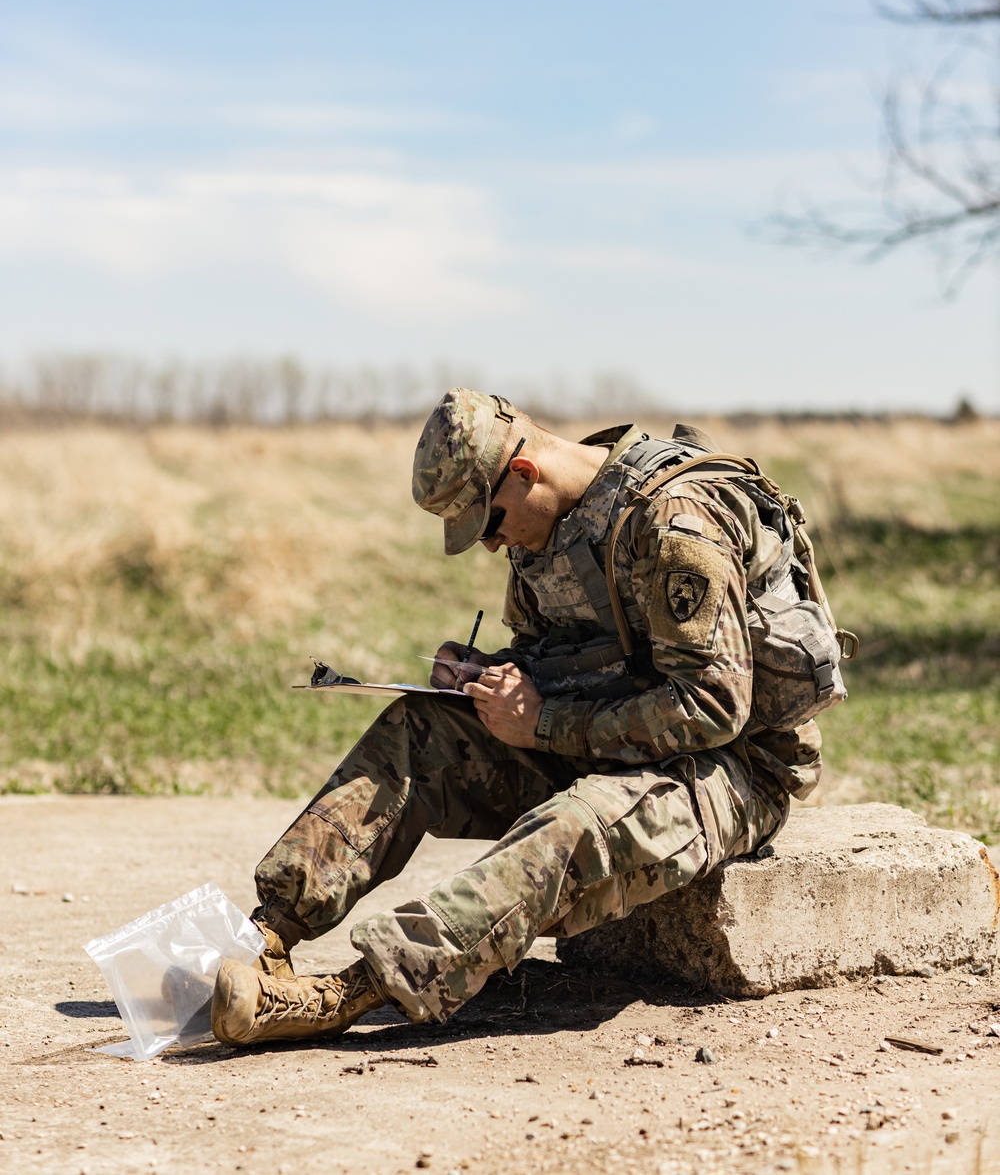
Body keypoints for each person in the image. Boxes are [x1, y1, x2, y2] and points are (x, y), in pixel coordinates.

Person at [211, 389, 832, 1045]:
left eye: (489, 523)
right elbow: (561, 657)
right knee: (419, 729)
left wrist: (543, 725)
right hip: (611, 736)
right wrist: (485, 676)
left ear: (527, 473)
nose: (489, 545)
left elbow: (713, 707)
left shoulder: (675, 521)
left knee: (574, 824)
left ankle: (346, 994)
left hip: (738, 764)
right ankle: (269, 933)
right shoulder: (545, 530)